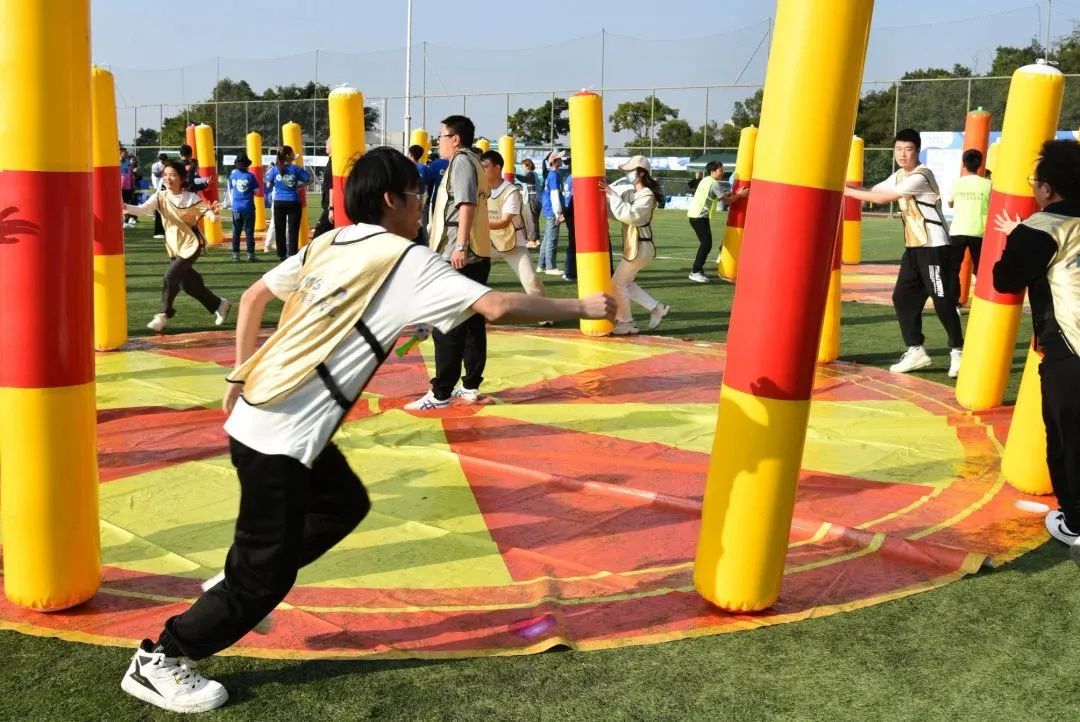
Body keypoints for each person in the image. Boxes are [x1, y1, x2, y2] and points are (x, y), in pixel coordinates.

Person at [117, 147, 614, 714]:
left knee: (342, 505)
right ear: (391, 199)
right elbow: (497, 306)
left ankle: (235, 582)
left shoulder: (330, 241)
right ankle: (161, 657)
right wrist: (584, 305)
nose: (422, 207)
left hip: (269, 415)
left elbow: (255, 297)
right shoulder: (408, 258)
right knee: (263, 579)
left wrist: (240, 369)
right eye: (418, 196)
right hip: (281, 436)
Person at [991, 139, 1080, 548]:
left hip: (1070, 347)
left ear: (1046, 188)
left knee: (1067, 439)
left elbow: (1005, 280)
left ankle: (1075, 522)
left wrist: (1017, 237)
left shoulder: (1042, 227)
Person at [845, 128, 964, 377]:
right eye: (898, 149)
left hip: (934, 246)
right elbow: (875, 192)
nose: (902, 154)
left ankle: (958, 351)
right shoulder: (899, 175)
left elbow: (883, 199)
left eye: (908, 149)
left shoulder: (922, 175)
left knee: (942, 300)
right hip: (914, 248)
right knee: (902, 297)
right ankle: (916, 350)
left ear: (917, 151)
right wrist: (846, 184)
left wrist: (843, 190)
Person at [405, 115, 492, 410]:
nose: (437, 142)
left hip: (461, 254)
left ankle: (441, 392)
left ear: (455, 139)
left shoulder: (462, 162)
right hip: (476, 252)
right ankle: (469, 386)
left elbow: (466, 204)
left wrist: (460, 245)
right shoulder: (475, 161)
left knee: (448, 323)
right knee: (471, 322)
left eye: (441, 136)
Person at [123, 161, 231, 333]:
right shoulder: (160, 196)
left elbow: (210, 216)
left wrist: (215, 214)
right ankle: (219, 304)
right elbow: (142, 210)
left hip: (191, 244)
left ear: (182, 178)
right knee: (190, 285)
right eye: (165, 175)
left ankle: (163, 314)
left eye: (172, 175)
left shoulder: (191, 198)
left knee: (170, 276)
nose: (168, 178)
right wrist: (124, 206)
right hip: (174, 247)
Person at [601, 155, 670, 336]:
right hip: (635, 247)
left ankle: (626, 323)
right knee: (625, 283)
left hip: (641, 247)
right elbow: (615, 212)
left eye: (630, 170)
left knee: (617, 284)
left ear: (641, 173)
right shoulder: (629, 193)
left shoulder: (647, 195)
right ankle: (657, 308)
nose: (627, 174)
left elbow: (631, 216)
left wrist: (612, 195)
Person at [479, 149, 545, 297]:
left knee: (531, 280)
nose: (481, 170)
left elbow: (504, 222)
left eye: (485, 166)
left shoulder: (511, 191)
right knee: (467, 273)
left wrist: (476, 222)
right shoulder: (479, 188)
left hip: (512, 243)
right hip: (487, 243)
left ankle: (544, 310)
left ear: (497, 168)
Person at [686, 160, 748, 283]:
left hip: (695, 215)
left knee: (706, 244)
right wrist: (740, 195)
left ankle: (698, 270)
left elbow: (721, 196)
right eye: (720, 170)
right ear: (713, 171)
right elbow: (727, 201)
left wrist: (734, 193)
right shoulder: (714, 184)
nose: (722, 172)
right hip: (699, 217)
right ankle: (695, 271)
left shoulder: (706, 180)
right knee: (706, 244)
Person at [947, 148, 992, 297]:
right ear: (980, 164)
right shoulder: (988, 184)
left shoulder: (957, 183)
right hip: (979, 231)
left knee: (953, 268)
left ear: (964, 164)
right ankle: (983, 299)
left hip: (958, 231)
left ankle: (954, 302)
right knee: (981, 269)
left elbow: (950, 203)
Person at [265, 145, 312, 258]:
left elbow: (268, 185)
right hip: (293, 201)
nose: (293, 155)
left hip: (279, 201)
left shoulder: (274, 169)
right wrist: (300, 186)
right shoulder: (296, 169)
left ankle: (281, 254)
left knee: (279, 229)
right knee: (293, 230)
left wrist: (275, 182)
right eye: (292, 153)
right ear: (287, 156)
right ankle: (292, 254)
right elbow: (310, 179)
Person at [538, 150, 565, 275]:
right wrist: (558, 214)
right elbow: (554, 195)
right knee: (552, 239)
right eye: (559, 158)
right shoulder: (553, 175)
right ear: (554, 162)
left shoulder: (551, 174)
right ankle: (550, 267)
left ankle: (542, 265)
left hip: (549, 209)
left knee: (547, 239)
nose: (561, 160)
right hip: (552, 211)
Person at [228, 154, 259, 262]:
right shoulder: (251, 176)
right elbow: (256, 191)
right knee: (249, 232)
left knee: (236, 233)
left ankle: (235, 255)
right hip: (248, 207)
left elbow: (231, 189)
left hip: (236, 208)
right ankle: (250, 255)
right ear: (247, 165)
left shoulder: (232, 176)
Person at [407, 144, 431, 245]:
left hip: (408, 199)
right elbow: (427, 186)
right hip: (422, 200)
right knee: (423, 225)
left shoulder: (406, 167)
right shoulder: (425, 168)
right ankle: (425, 245)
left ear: (410, 154)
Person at [517, 157, 542, 248]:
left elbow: (525, 179)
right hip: (537, 199)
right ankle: (537, 240)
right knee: (535, 220)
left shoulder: (530, 174)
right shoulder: (535, 174)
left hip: (531, 199)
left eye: (523, 166)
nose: (522, 168)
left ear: (527, 166)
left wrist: (514, 175)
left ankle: (531, 240)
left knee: (530, 220)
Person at [312, 138, 334, 238]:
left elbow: (332, 186)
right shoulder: (331, 161)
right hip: (329, 206)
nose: (326, 144)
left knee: (318, 235)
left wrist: (331, 208)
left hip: (331, 207)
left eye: (328, 143)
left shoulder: (333, 162)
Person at [562, 167, 577, 282]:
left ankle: (569, 271)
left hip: (568, 211)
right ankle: (569, 272)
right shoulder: (575, 178)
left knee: (572, 243)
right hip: (572, 212)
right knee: (573, 244)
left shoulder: (568, 178)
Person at [151, 152, 168, 238]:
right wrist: (163, 169)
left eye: (165, 160)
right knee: (158, 206)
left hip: (165, 188)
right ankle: (158, 230)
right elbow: (156, 174)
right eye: (162, 160)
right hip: (158, 187)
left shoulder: (167, 166)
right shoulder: (155, 165)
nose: (163, 161)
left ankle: (165, 229)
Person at [121, 147, 136, 227]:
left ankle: (125, 221)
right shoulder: (115, 163)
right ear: (120, 153)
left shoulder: (128, 163)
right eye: (125, 152)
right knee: (118, 204)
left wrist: (133, 185)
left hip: (128, 187)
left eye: (127, 152)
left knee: (126, 203)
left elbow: (131, 174)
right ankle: (120, 221)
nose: (127, 154)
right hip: (119, 187)